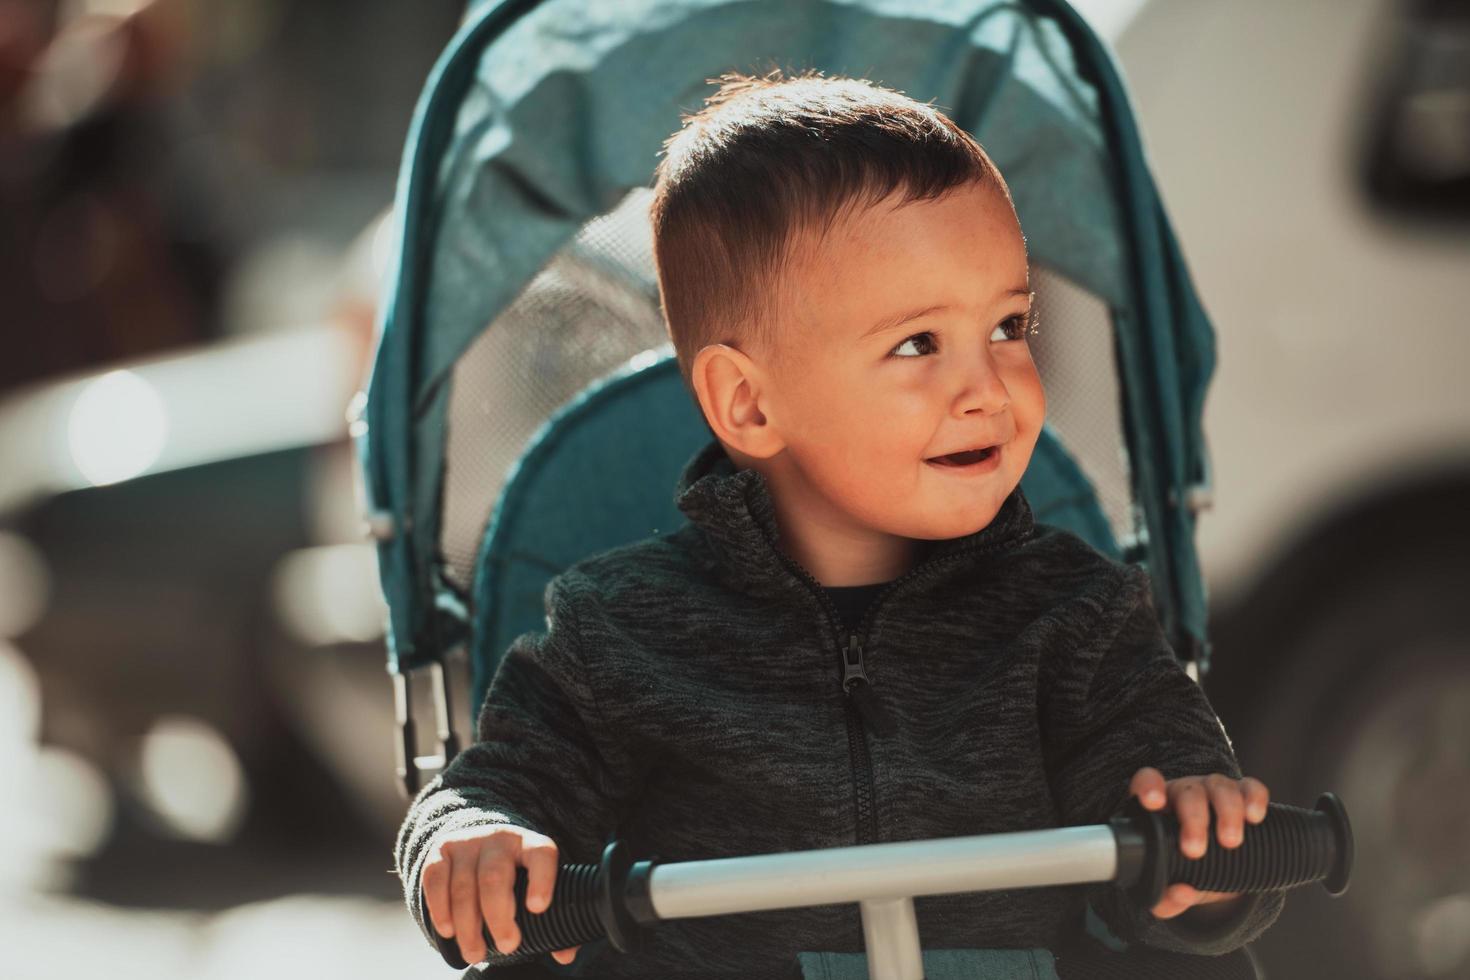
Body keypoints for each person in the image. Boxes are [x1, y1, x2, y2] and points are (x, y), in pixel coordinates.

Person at [394, 68, 1285, 979]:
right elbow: (505, 783)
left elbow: (1160, 764)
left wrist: (1198, 840)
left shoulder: (1080, 615)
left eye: (1009, 326)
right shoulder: (615, 633)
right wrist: (477, 837)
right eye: (917, 344)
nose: (988, 388)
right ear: (747, 405)